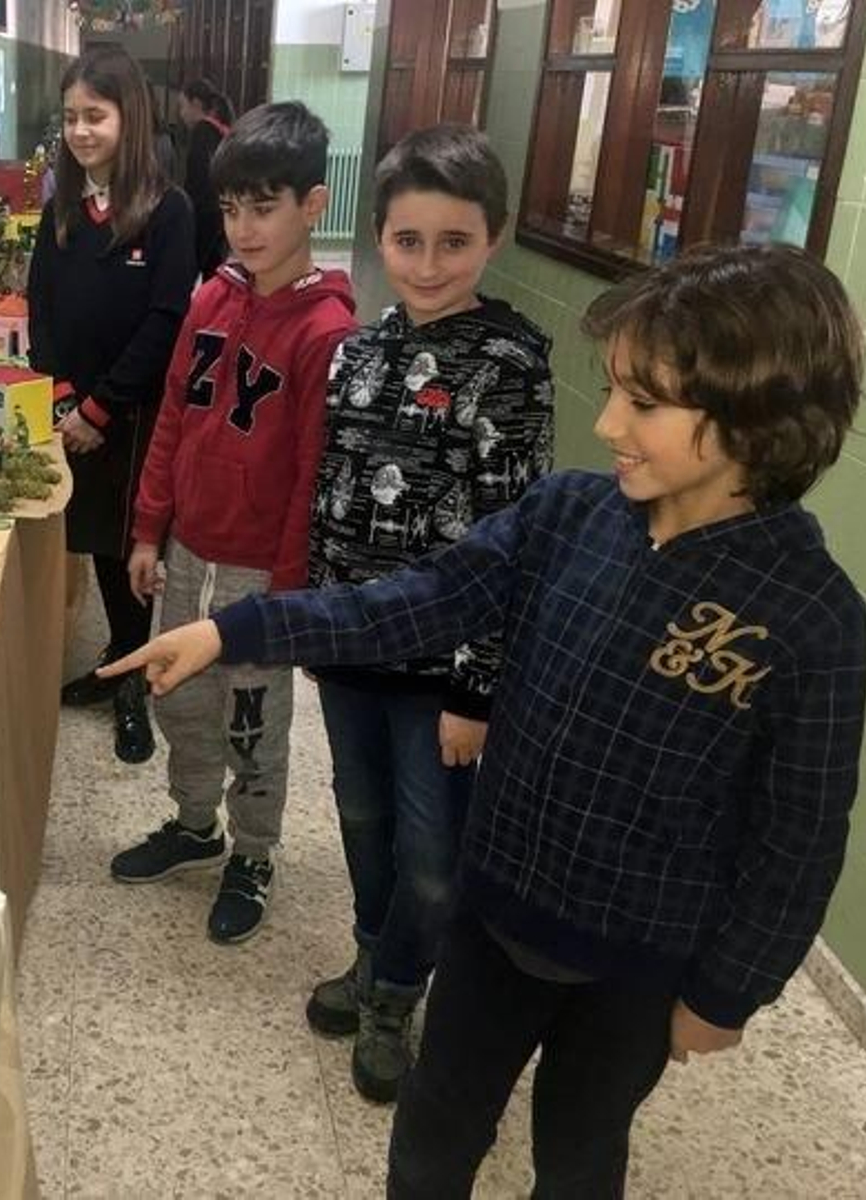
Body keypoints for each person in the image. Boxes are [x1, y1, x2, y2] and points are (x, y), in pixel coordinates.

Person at [100, 242, 866, 1196]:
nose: (607, 423)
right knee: (434, 1131)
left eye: (644, 403)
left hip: (638, 966)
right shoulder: (568, 516)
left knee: (580, 1156)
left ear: (759, 418)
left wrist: (728, 991)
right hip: (495, 909)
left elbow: (799, 836)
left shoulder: (813, 616)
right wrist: (236, 628)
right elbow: (407, 603)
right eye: (614, 391)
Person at [304, 124, 554, 1103]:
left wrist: (477, 691)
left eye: (454, 242)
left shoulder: (511, 361)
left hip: (442, 673)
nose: (428, 264)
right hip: (350, 647)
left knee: (434, 855)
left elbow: (513, 537)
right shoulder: (361, 351)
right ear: (379, 237)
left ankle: (398, 988)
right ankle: (375, 957)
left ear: (496, 237)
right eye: (408, 241)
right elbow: (334, 489)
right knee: (361, 822)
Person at [111, 102, 357, 944]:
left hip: (260, 575)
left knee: (252, 722)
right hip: (187, 551)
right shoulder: (211, 299)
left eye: (266, 208)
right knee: (180, 700)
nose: (244, 229)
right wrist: (149, 530)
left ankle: (253, 852)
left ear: (313, 205)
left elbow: (312, 481)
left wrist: (288, 600)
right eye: (231, 209)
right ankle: (193, 825)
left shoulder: (329, 333)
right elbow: (172, 416)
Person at [28, 45, 197, 764]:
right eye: (70, 117)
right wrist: (63, 395)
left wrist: (99, 411)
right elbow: (42, 306)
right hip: (75, 414)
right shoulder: (63, 209)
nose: (81, 131)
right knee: (97, 539)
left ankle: (135, 678)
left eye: (95, 115)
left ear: (129, 116)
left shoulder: (167, 210)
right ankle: (119, 658)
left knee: (134, 549)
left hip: (135, 418)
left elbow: (166, 321)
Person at [178, 78, 235, 279]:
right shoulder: (222, 131)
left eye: (183, 106)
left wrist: (184, 215)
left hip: (204, 216)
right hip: (222, 214)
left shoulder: (202, 131)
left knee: (185, 275)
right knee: (213, 274)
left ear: (196, 104)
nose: (181, 113)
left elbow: (197, 180)